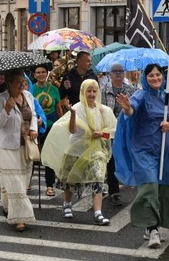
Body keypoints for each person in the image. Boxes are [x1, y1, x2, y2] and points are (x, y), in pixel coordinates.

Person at [113, 64, 169, 248]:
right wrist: (127, 108)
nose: (155, 78)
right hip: (143, 150)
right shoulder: (140, 95)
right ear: (145, 78)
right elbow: (131, 110)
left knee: (162, 189)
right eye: (151, 75)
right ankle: (152, 228)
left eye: (158, 75)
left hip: (165, 151)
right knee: (149, 187)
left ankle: (154, 225)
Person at [41, 79, 117, 226]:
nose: (92, 94)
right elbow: (72, 130)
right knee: (70, 180)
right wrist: (73, 114)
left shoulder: (104, 111)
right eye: (89, 91)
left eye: (94, 91)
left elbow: (112, 133)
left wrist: (101, 134)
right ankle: (67, 204)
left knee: (98, 178)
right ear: (83, 92)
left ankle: (98, 213)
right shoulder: (77, 108)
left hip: (96, 151)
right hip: (76, 149)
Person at [0, 70, 38, 232]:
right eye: (18, 82)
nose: (21, 85)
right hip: (7, 147)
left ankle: (7, 206)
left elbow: (33, 115)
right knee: (15, 182)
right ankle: (20, 218)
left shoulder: (29, 96)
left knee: (22, 180)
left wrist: (33, 129)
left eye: (23, 81)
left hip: (25, 145)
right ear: (9, 83)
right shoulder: (0, 99)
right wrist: (6, 109)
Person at [100, 62, 137, 206]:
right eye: (115, 71)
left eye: (121, 71)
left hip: (124, 129)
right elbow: (100, 110)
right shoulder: (103, 90)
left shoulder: (131, 90)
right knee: (111, 160)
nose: (118, 73)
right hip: (109, 130)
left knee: (123, 157)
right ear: (110, 74)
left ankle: (126, 181)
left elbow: (134, 109)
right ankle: (113, 192)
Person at [32, 64, 63, 197]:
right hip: (34, 125)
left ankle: (50, 185)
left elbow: (58, 108)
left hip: (51, 125)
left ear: (47, 74)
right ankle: (28, 181)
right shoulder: (30, 89)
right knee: (32, 154)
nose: (41, 75)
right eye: (38, 72)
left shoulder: (54, 89)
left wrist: (62, 123)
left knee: (49, 155)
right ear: (34, 75)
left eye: (43, 72)